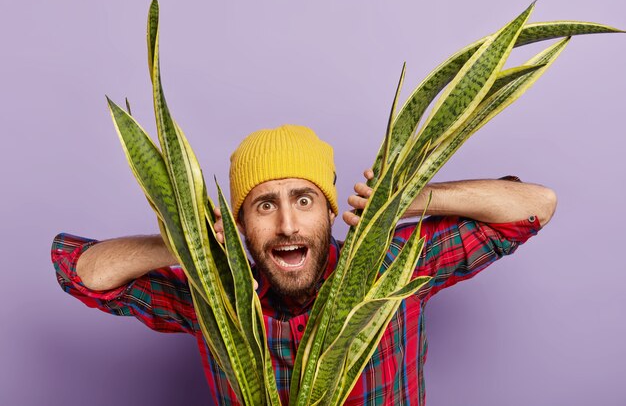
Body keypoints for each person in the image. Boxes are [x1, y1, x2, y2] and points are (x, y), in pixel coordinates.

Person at [52, 125, 556, 405]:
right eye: (265, 206)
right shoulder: (214, 295)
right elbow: (82, 273)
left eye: (305, 199)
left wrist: (416, 198)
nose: (289, 224)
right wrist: (186, 245)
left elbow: (535, 205)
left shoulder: (392, 264)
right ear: (242, 225)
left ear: (331, 209)